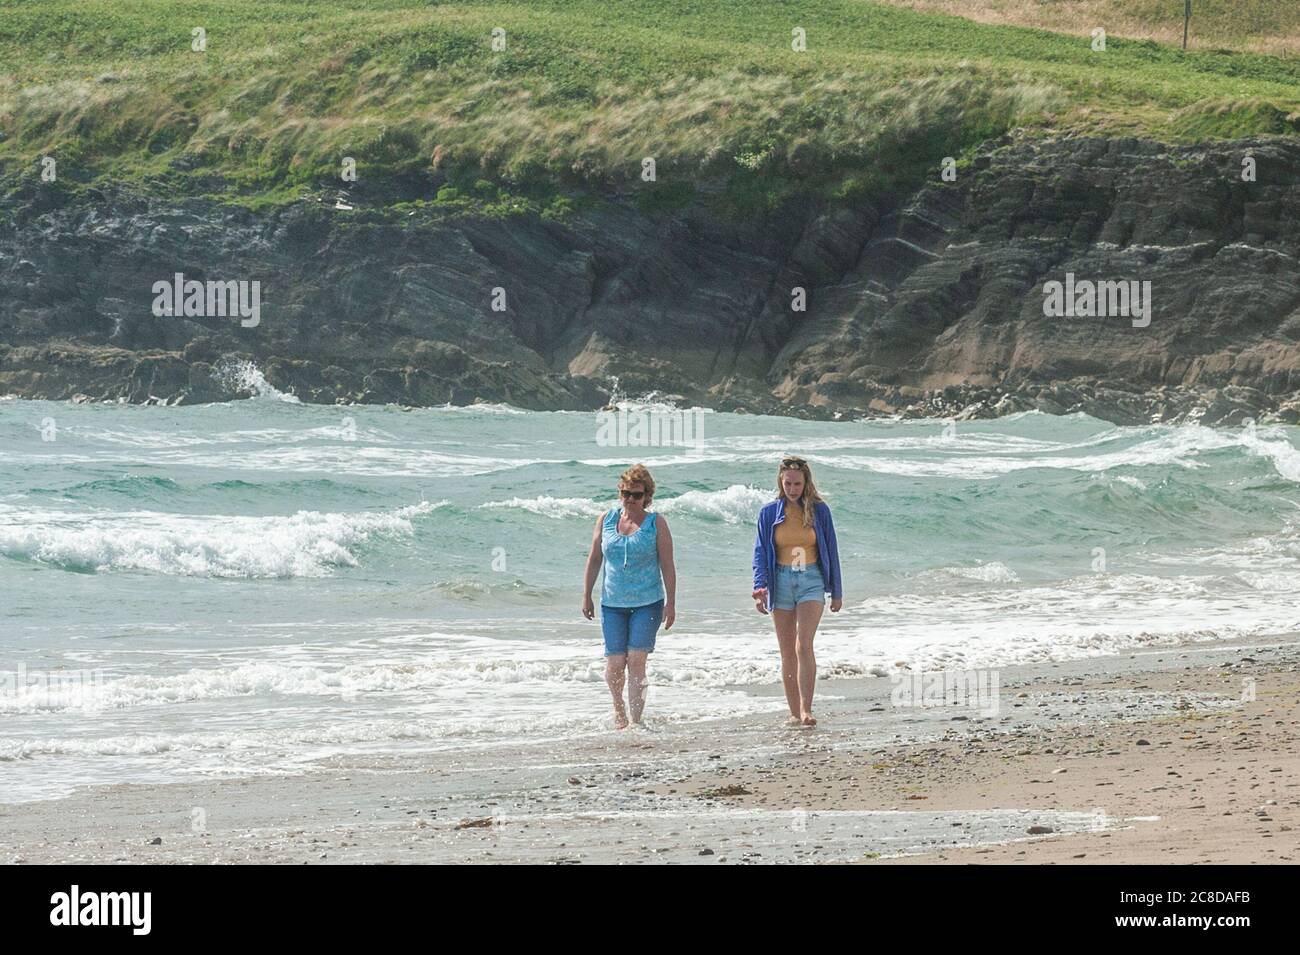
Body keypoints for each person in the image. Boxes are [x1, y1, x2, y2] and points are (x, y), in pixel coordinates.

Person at [582, 464, 676, 729]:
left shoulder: (656, 523)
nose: (630, 500)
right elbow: (594, 559)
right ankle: (619, 711)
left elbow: (667, 564)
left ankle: (637, 719)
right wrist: (586, 594)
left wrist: (671, 603)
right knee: (614, 664)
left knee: (636, 661)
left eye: (636, 494)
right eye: (626, 493)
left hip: (648, 602)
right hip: (612, 604)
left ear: (647, 495)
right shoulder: (606, 520)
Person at [751, 456, 843, 726]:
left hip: (811, 579)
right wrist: (760, 585)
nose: (793, 489)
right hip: (780, 581)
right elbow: (759, 552)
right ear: (781, 482)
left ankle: (806, 709)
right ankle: (793, 712)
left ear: (806, 483)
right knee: (787, 650)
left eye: (797, 484)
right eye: (788, 483)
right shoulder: (769, 513)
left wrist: (836, 591)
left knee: (804, 644)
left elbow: (832, 550)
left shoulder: (819, 511)